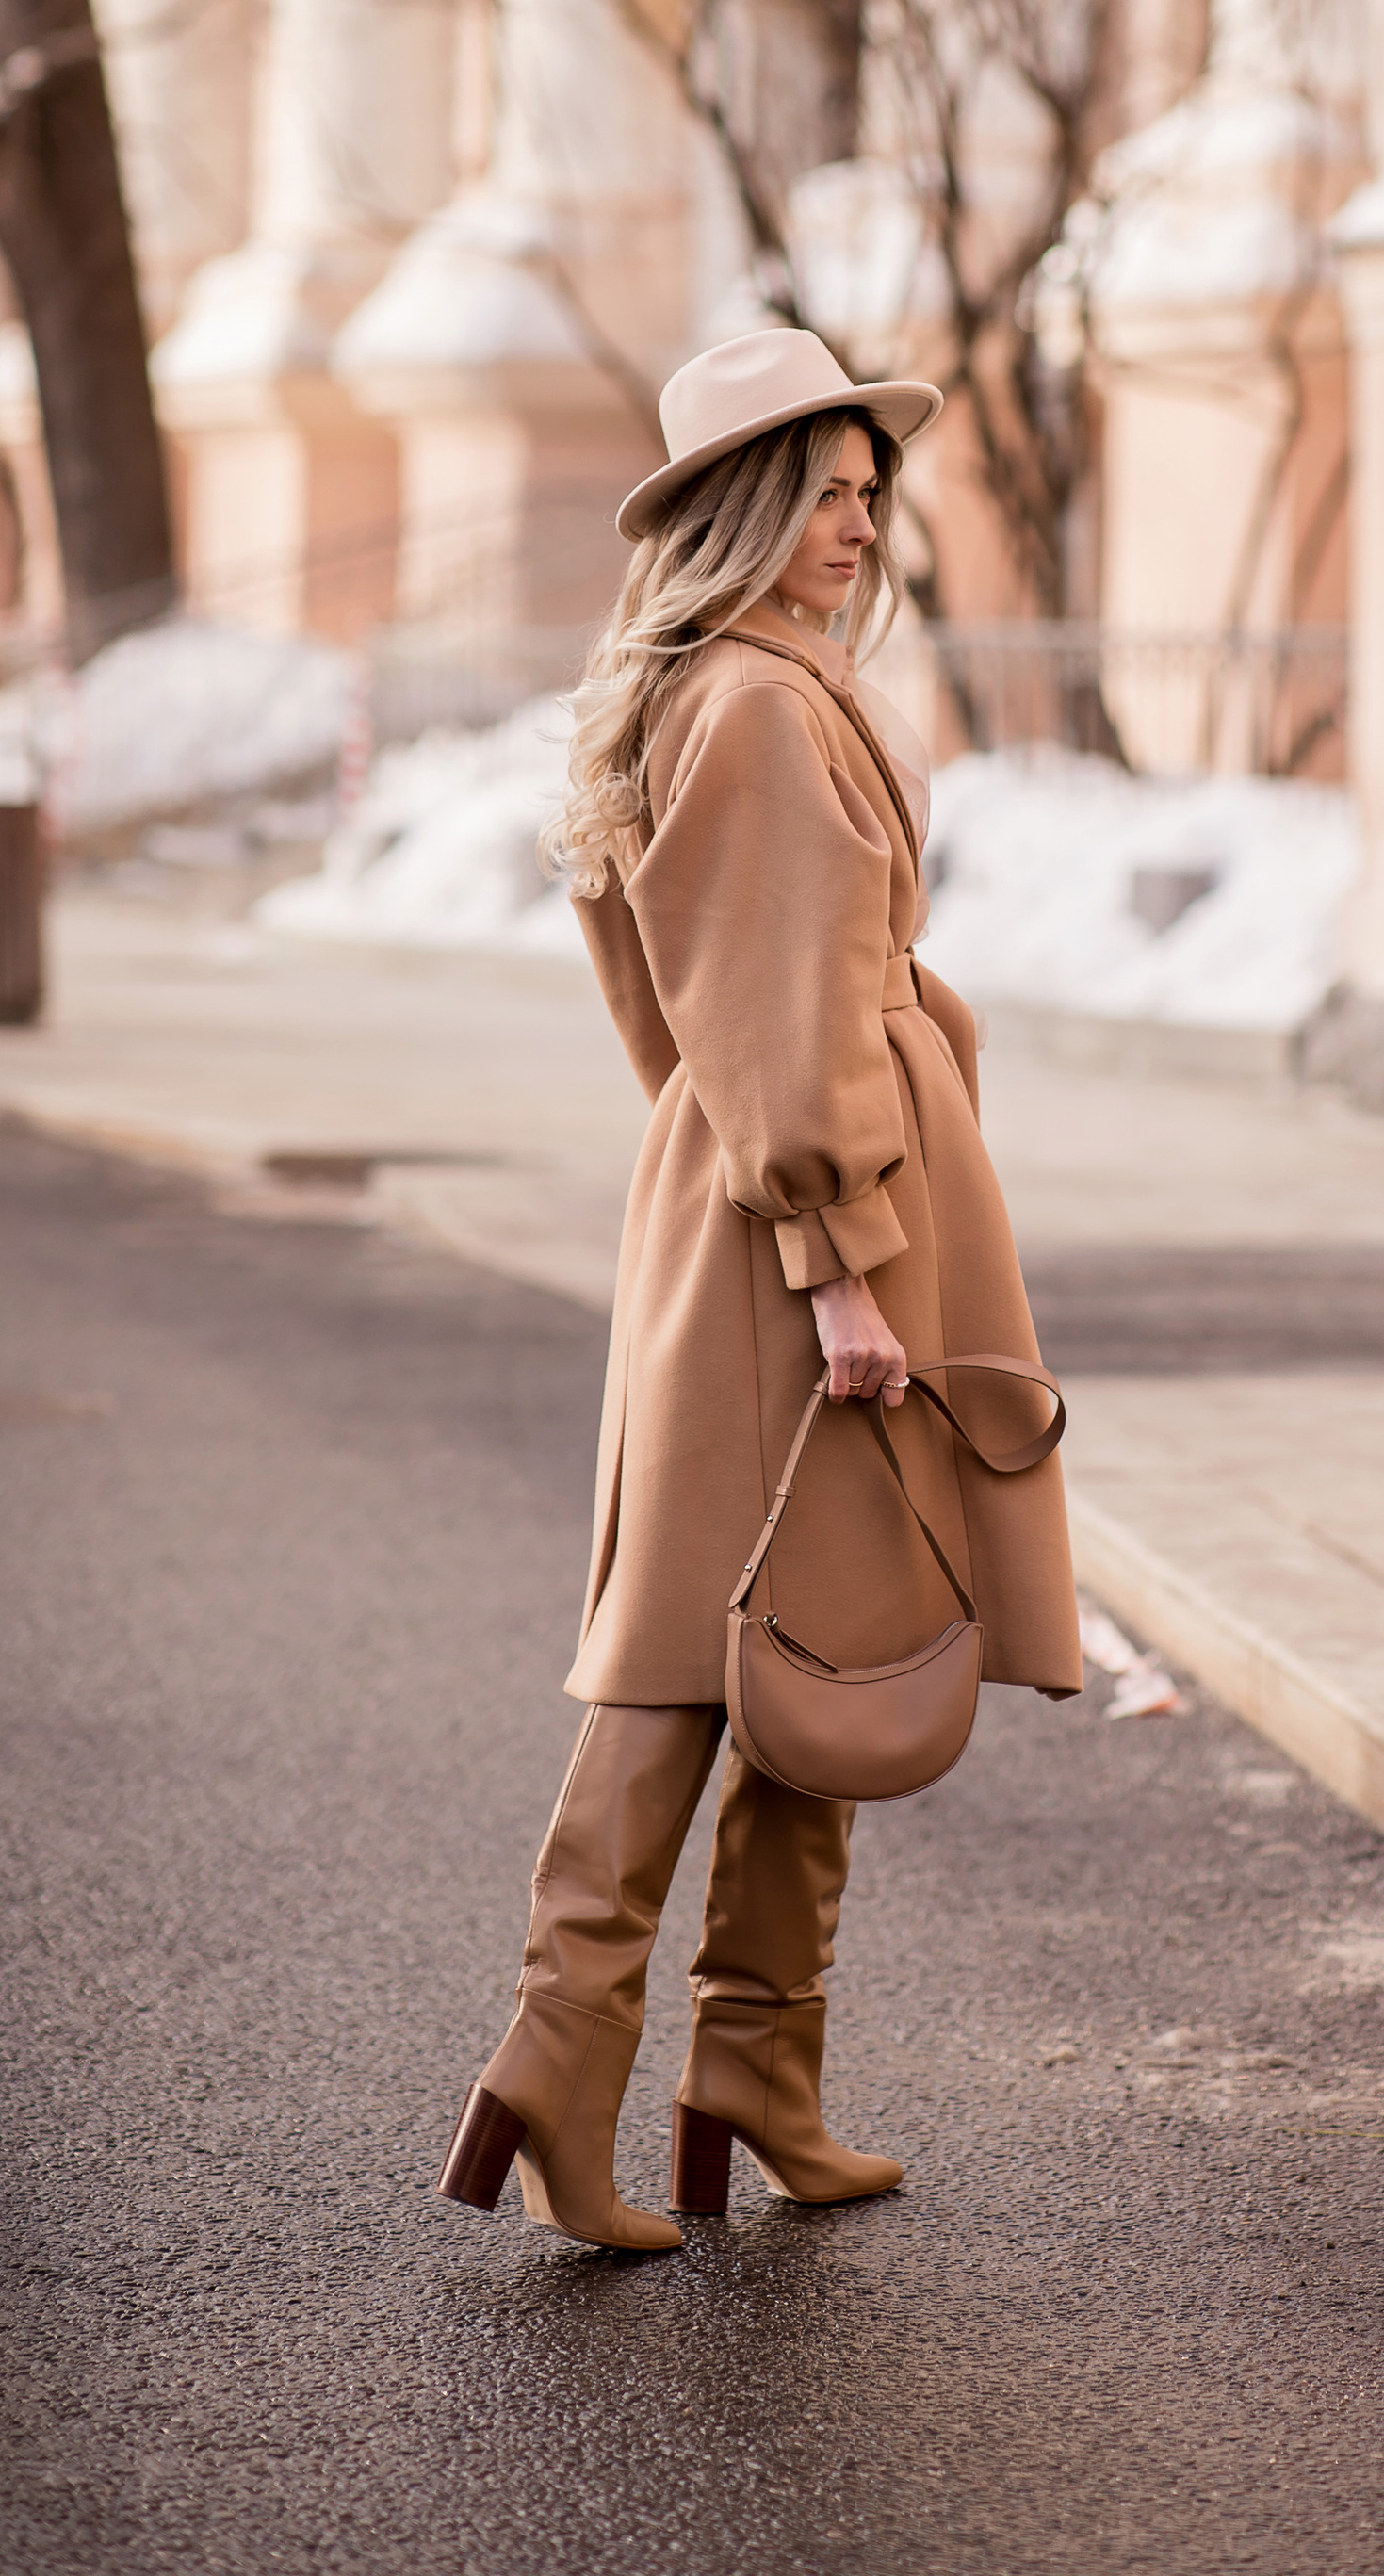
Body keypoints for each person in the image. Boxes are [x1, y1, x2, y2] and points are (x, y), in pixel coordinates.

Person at [436, 329, 1082, 2251]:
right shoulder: (755, 709)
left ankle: (756, 2071)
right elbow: (770, 1029)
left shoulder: (733, 694)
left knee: (830, 1633)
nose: (858, 527)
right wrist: (836, 1262)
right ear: (738, 510)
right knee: (691, 1652)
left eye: (869, 494)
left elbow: (687, 1027)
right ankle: (561, 2066)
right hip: (802, 1243)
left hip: (783, 1211)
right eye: (820, 494)